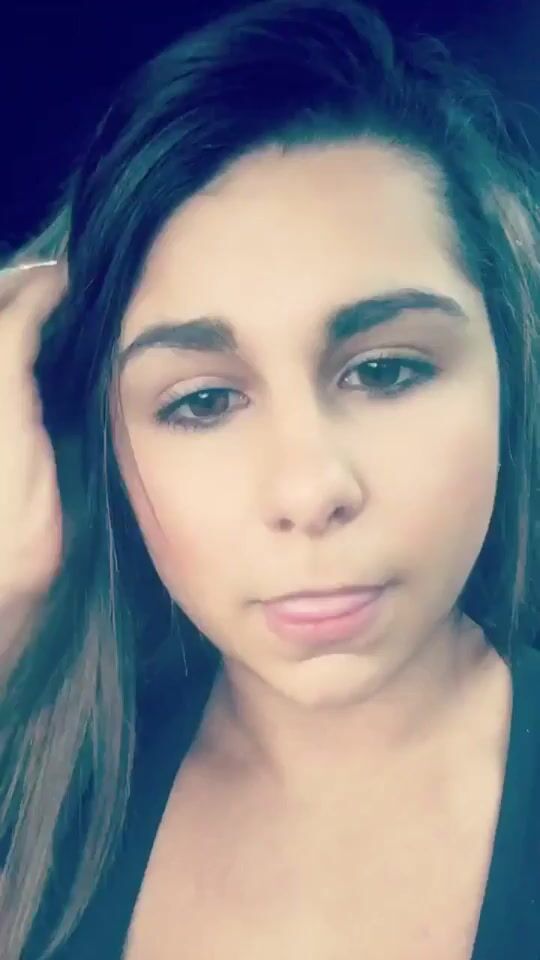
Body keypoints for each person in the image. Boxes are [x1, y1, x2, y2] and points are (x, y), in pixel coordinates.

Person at [0, 0, 538, 957]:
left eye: (386, 371)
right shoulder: (45, 797)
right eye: (203, 401)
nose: (308, 491)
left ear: (507, 372)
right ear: (93, 440)